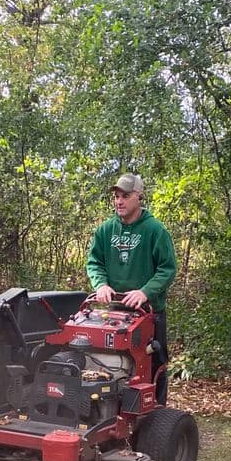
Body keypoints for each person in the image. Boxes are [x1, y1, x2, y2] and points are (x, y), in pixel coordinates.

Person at [86, 172, 177, 403]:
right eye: (116, 196)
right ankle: (113, 412)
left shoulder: (155, 230)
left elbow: (167, 269)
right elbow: (94, 262)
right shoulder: (105, 230)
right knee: (108, 360)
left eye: (125, 196)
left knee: (154, 363)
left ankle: (157, 416)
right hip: (113, 310)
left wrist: (145, 291)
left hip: (149, 312)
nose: (119, 201)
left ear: (139, 197)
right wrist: (101, 285)